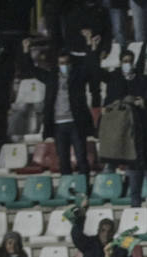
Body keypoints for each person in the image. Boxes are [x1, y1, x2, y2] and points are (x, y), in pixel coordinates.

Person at [43, 51, 95, 180]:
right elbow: (31, 70)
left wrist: (91, 48)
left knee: (81, 157)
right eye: (61, 63)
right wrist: (26, 52)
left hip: (75, 122)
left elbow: (91, 67)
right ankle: (66, 188)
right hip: (58, 124)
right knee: (63, 159)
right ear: (57, 64)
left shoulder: (78, 76)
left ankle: (84, 188)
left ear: (71, 64)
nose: (64, 65)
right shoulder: (52, 77)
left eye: (66, 63)